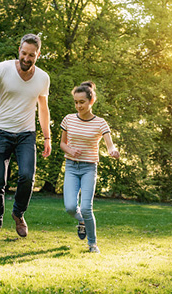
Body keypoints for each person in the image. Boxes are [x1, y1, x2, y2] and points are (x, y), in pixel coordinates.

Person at [0, 33, 51, 238]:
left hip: (26, 134)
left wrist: (47, 137)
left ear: (37, 55)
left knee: (27, 177)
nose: (26, 58)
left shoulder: (43, 78)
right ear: (19, 50)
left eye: (31, 55)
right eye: (24, 53)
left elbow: (43, 109)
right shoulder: (3, 68)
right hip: (2, 132)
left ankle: (18, 213)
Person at [60, 81, 120, 253]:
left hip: (89, 168)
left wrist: (113, 151)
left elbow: (110, 144)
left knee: (87, 207)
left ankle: (92, 244)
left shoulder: (100, 123)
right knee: (71, 207)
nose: (79, 105)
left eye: (82, 102)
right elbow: (62, 144)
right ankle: (82, 221)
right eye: (76, 102)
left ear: (91, 101)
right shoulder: (68, 119)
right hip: (71, 166)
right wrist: (71, 150)